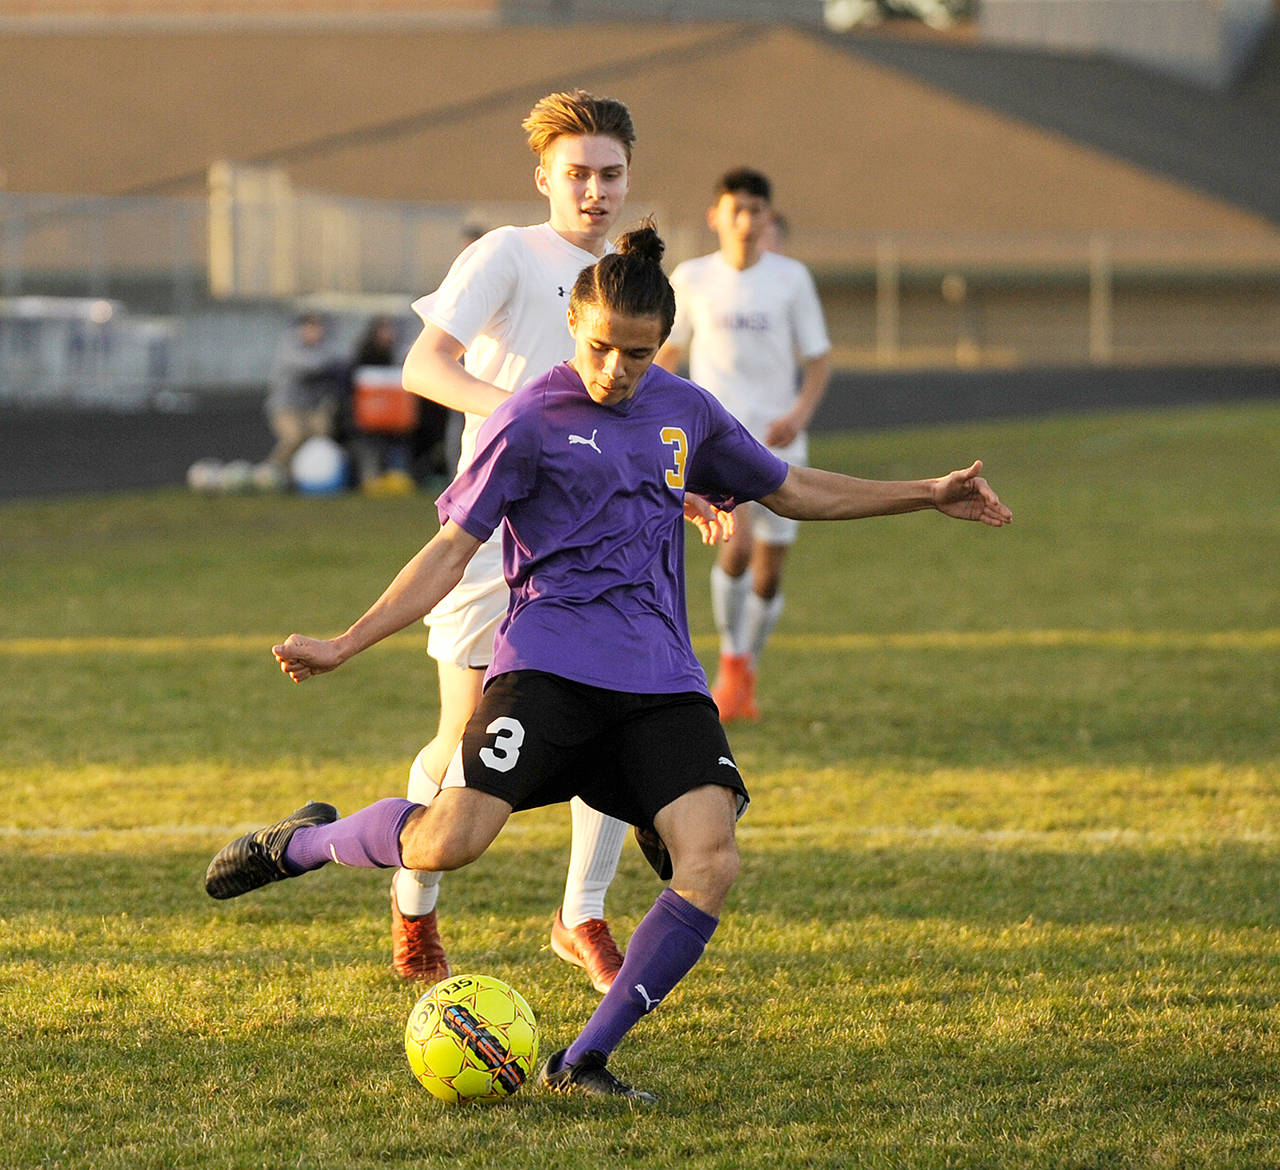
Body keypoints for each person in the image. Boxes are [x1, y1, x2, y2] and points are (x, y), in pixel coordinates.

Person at [205, 224, 1013, 1102]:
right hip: (547, 669)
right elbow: (447, 551)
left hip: (661, 679)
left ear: (661, 343)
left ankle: (583, 1059)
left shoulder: (686, 409)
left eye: (637, 353)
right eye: (600, 348)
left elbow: (788, 486)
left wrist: (926, 493)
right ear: (574, 329)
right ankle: (302, 842)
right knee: (446, 842)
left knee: (712, 860)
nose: (617, 369)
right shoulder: (528, 418)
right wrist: (346, 641)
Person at [384, 89, 729, 992]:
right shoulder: (505, 253)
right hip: (492, 533)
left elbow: (652, 415)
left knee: (617, 719)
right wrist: (534, 424)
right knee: (464, 744)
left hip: (595, 547)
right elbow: (425, 365)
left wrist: (675, 487)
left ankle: (581, 913)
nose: (596, 190)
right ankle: (414, 906)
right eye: (577, 173)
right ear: (543, 176)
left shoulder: (628, 277)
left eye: (611, 174)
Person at [657, 169, 831, 723]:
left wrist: (797, 414)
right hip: (717, 441)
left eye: (756, 210)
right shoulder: (691, 278)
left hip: (780, 441)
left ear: (767, 218)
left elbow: (819, 359)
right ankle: (731, 667)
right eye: (736, 210)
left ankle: (745, 670)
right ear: (716, 217)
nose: (746, 221)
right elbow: (667, 355)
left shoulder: (791, 279)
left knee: (771, 571)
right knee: (737, 545)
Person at [263, 312, 347, 483]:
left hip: (311, 409)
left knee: (322, 434)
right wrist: (332, 365)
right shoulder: (289, 345)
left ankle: (304, 477)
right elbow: (311, 366)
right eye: (310, 328)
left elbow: (342, 359)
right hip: (286, 408)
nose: (314, 333)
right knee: (294, 436)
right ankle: (271, 471)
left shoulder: (324, 348)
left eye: (317, 328)